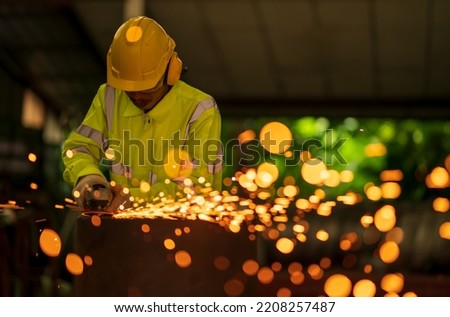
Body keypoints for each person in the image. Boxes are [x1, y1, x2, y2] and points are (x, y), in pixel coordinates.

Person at [62, 16, 222, 212]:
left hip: (184, 228)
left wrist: (133, 199)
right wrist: (87, 176)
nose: (136, 95)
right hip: (121, 224)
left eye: (147, 87)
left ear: (171, 70)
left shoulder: (200, 108)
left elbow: (198, 188)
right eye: (128, 87)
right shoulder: (110, 96)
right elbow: (79, 148)